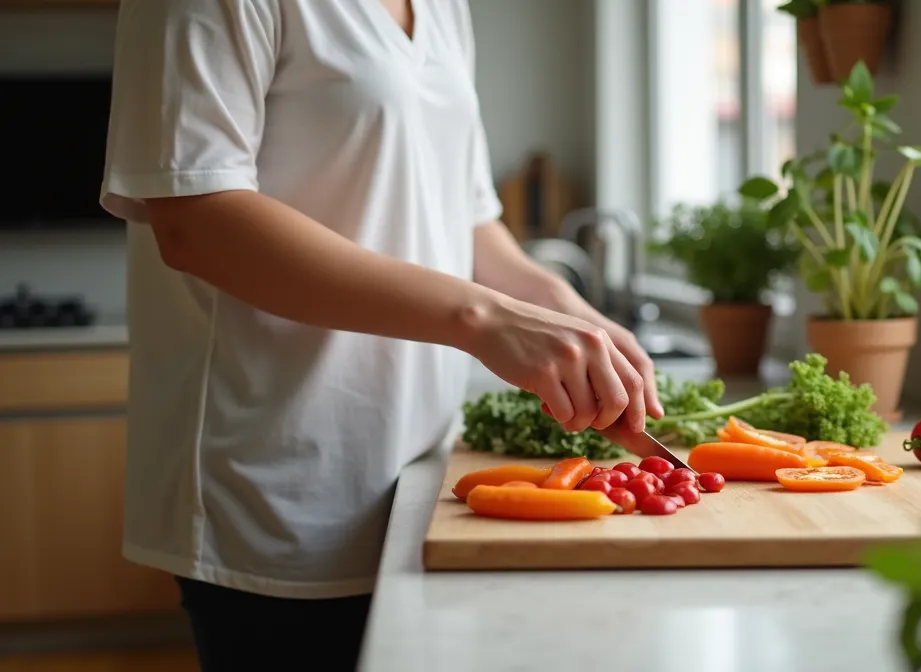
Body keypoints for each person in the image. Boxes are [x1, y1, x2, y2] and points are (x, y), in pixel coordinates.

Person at [98, 1, 660, 670]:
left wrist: (571, 314)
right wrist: (485, 318)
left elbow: (469, 219)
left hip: (421, 481)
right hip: (274, 490)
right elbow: (197, 218)